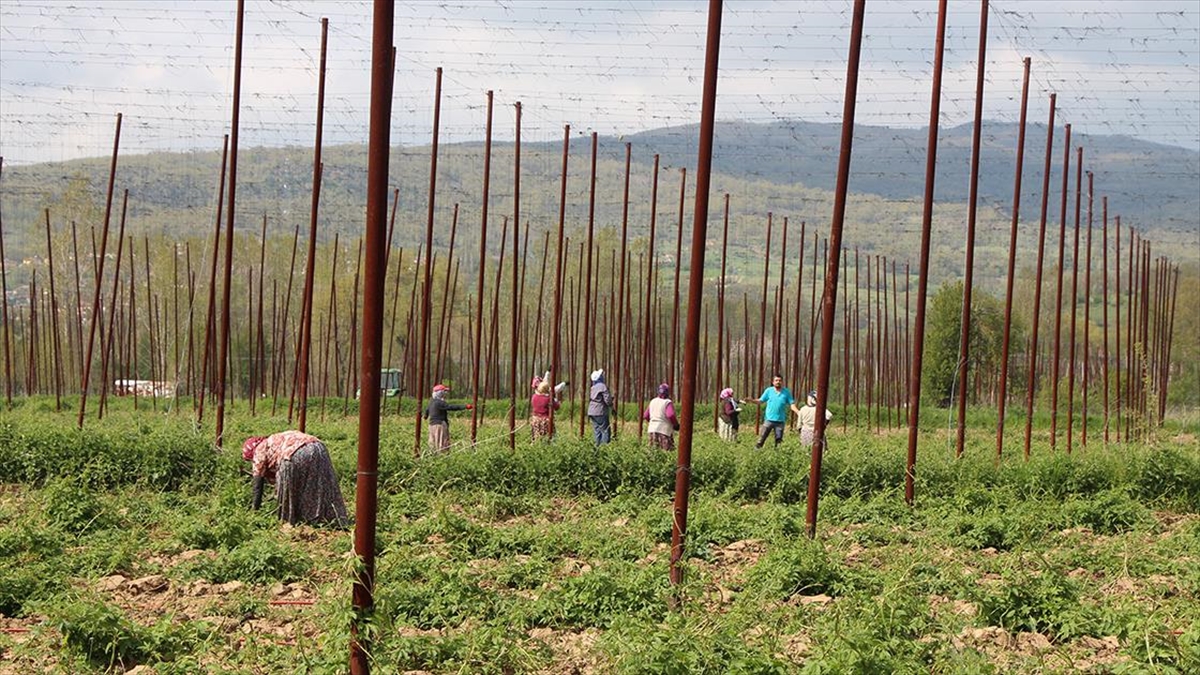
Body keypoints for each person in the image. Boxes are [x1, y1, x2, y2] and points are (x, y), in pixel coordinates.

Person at [242, 432, 348, 527]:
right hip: (319, 448)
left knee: (289, 491)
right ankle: (331, 518)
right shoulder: (274, 440)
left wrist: (254, 511)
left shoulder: (259, 449)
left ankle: (290, 521)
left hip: (294, 453)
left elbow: (257, 483)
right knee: (317, 485)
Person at [424, 383, 472, 452]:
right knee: (442, 442)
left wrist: (425, 416)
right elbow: (450, 407)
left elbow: (427, 411)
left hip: (431, 425)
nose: (445, 394)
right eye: (444, 392)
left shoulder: (432, 402)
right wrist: (465, 406)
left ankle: (433, 454)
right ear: (440, 393)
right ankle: (443, 456)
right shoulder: (439, 403)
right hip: (439, 425)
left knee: (433, 442)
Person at [755, 374, 795, 449]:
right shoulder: (769, 391)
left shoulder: (786, 392)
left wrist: (799, 412)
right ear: (773, 382)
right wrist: (752, 400)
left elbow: (792, 404)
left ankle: (777, 455)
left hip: (780, 421)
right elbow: (760, 401)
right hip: (769, 419)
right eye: (776, 380)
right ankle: (756, 451)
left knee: (779, 440)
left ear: (782, 382)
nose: (778, 382)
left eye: (780, 380)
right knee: (762, 438)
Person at [643, 383, 680, 451]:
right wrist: (676, 425)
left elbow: (645, 415)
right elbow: (670, 415)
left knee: (653, 451)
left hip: (652, 429)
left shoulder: (653, 401)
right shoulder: (667, 402)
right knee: (666, 451)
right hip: (664, 431)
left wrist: (653, 422)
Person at [588, 368, 614, 445]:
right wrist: (611, 404)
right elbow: (607, 400)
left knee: (597, 431)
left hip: (592, 411)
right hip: (600, 411)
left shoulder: (593, 387)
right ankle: (604, 450)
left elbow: (597, 398)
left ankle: (597, 450)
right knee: (605, 431)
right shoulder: (602, 386)